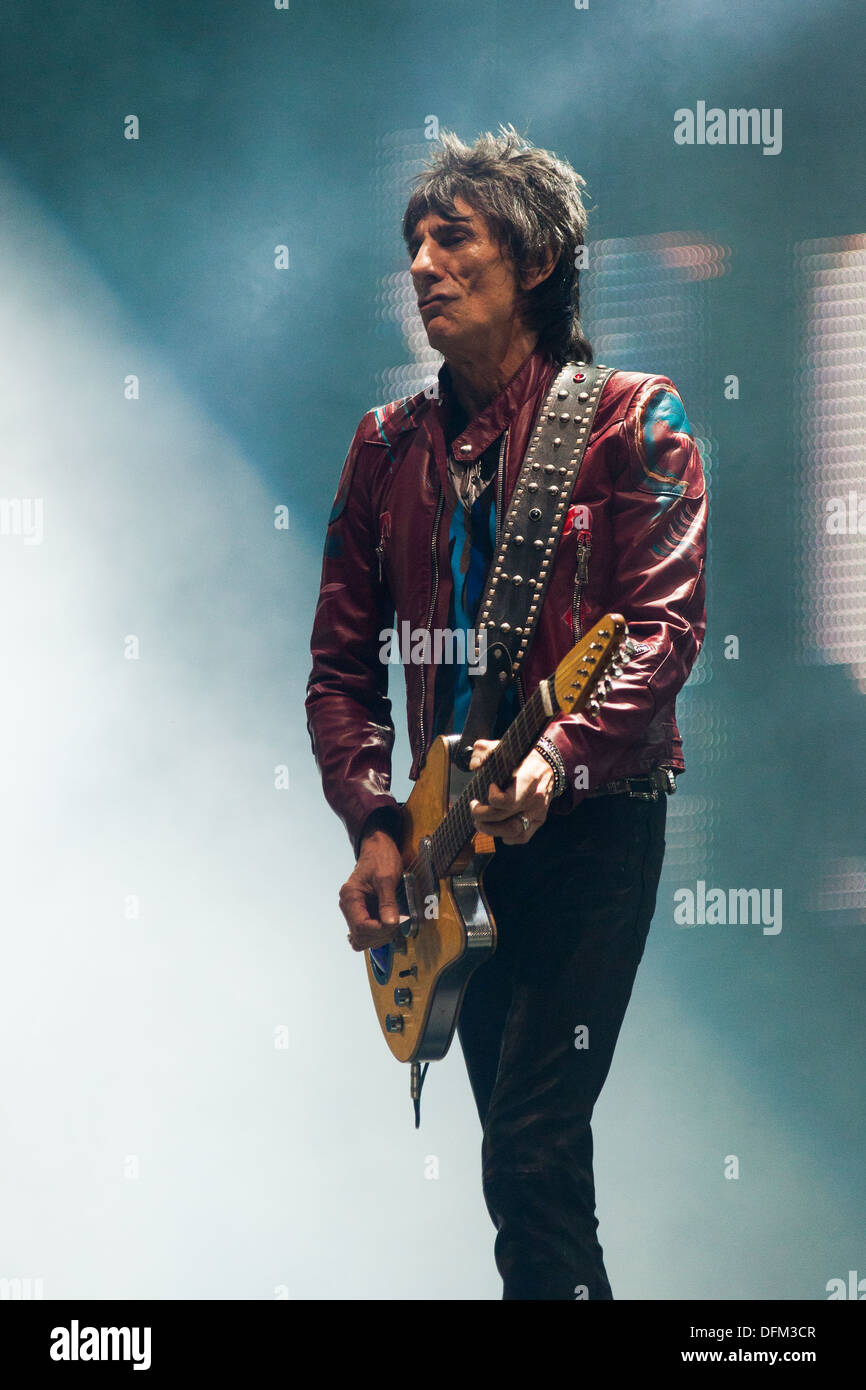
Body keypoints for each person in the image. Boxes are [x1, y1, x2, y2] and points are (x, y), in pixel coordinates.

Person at [305, 125, 707, 1300]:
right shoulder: (384, 449)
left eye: (451, 238)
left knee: (531, 1151)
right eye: (411, 244)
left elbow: (659, 631)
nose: (422, 265)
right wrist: (375, 822)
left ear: (534, 260)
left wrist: (562, 759)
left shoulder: (636, 420)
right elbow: (338, 670)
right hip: (450, 845)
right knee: (519, 1168)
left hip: (588, 827)